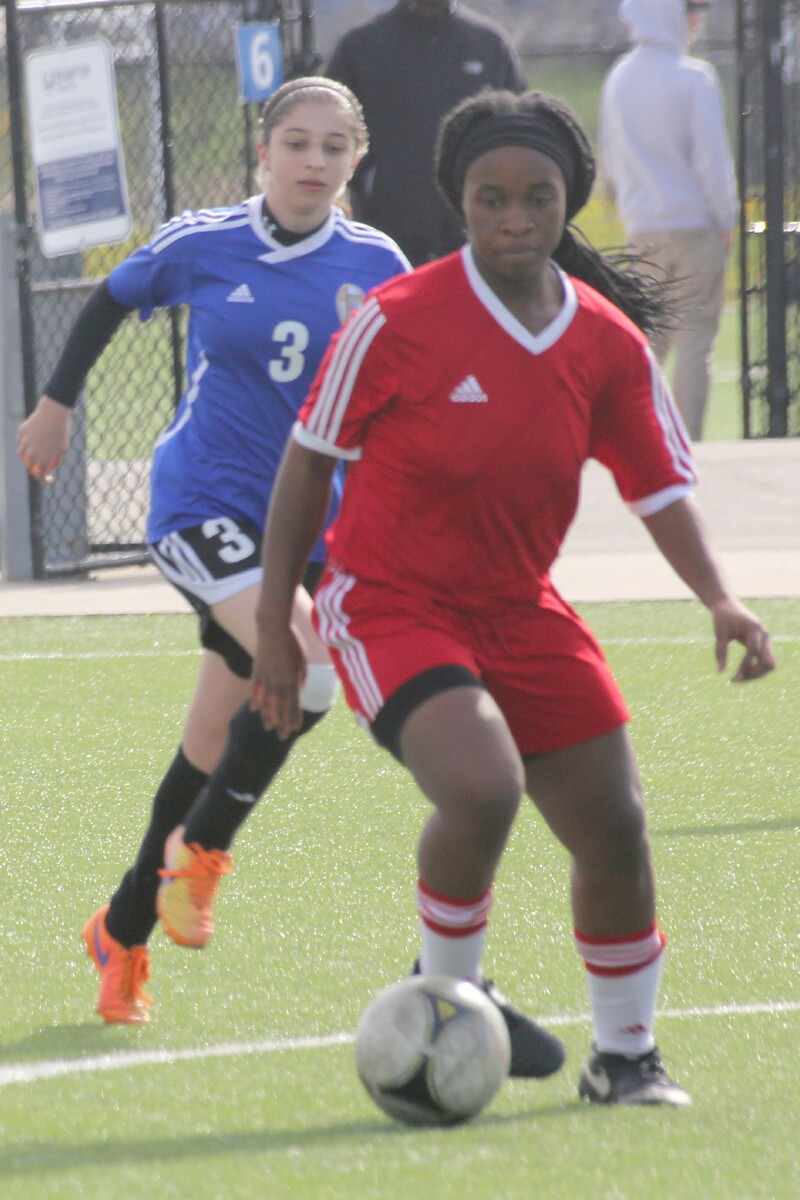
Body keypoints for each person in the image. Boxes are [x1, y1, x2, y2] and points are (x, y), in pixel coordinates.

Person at [250, 88, 776, 1106]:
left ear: (566, 203)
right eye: (491, 199)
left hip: (519, 606)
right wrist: (278, 623)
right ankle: (448, 997)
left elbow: (658, 489)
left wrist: (720, 599)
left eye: (537, 197)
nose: (514, 218)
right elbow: (307, 462)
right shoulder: (397, 319)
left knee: (614, 826)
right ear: (462, 203)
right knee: (483, 785)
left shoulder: (605, 343)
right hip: (390, 601)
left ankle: (624, 1058)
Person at [17, 76, 410, 1026]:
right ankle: (199, 857)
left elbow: (404, 386)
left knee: (211, 739)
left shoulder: (378, 262)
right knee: (307, 668)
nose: (314, 161)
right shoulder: (203, 241)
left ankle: (120, 934)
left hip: (310, 528)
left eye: (334, 147)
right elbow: (109, 300)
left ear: (357, 161)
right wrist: (56, 405)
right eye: (297, 142)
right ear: (263, 152)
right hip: (204, 508)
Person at [598, 0, 738, 440]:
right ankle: (689, 443)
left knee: (647, 341)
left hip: (642, 229)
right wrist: (727, 217)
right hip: (695, 225)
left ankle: (641, 439)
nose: (696, 21)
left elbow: (610, 157)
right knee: (695, 341)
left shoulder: (619, 78)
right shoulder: (693, 77)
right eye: (689, 10)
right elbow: (712, 159)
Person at [326, 0, 527, 265]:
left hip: (473, 242)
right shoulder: (361, 46)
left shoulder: (489, 44)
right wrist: (372, 183)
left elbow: (518, 133)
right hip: (386, 239)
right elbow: (332, 128)